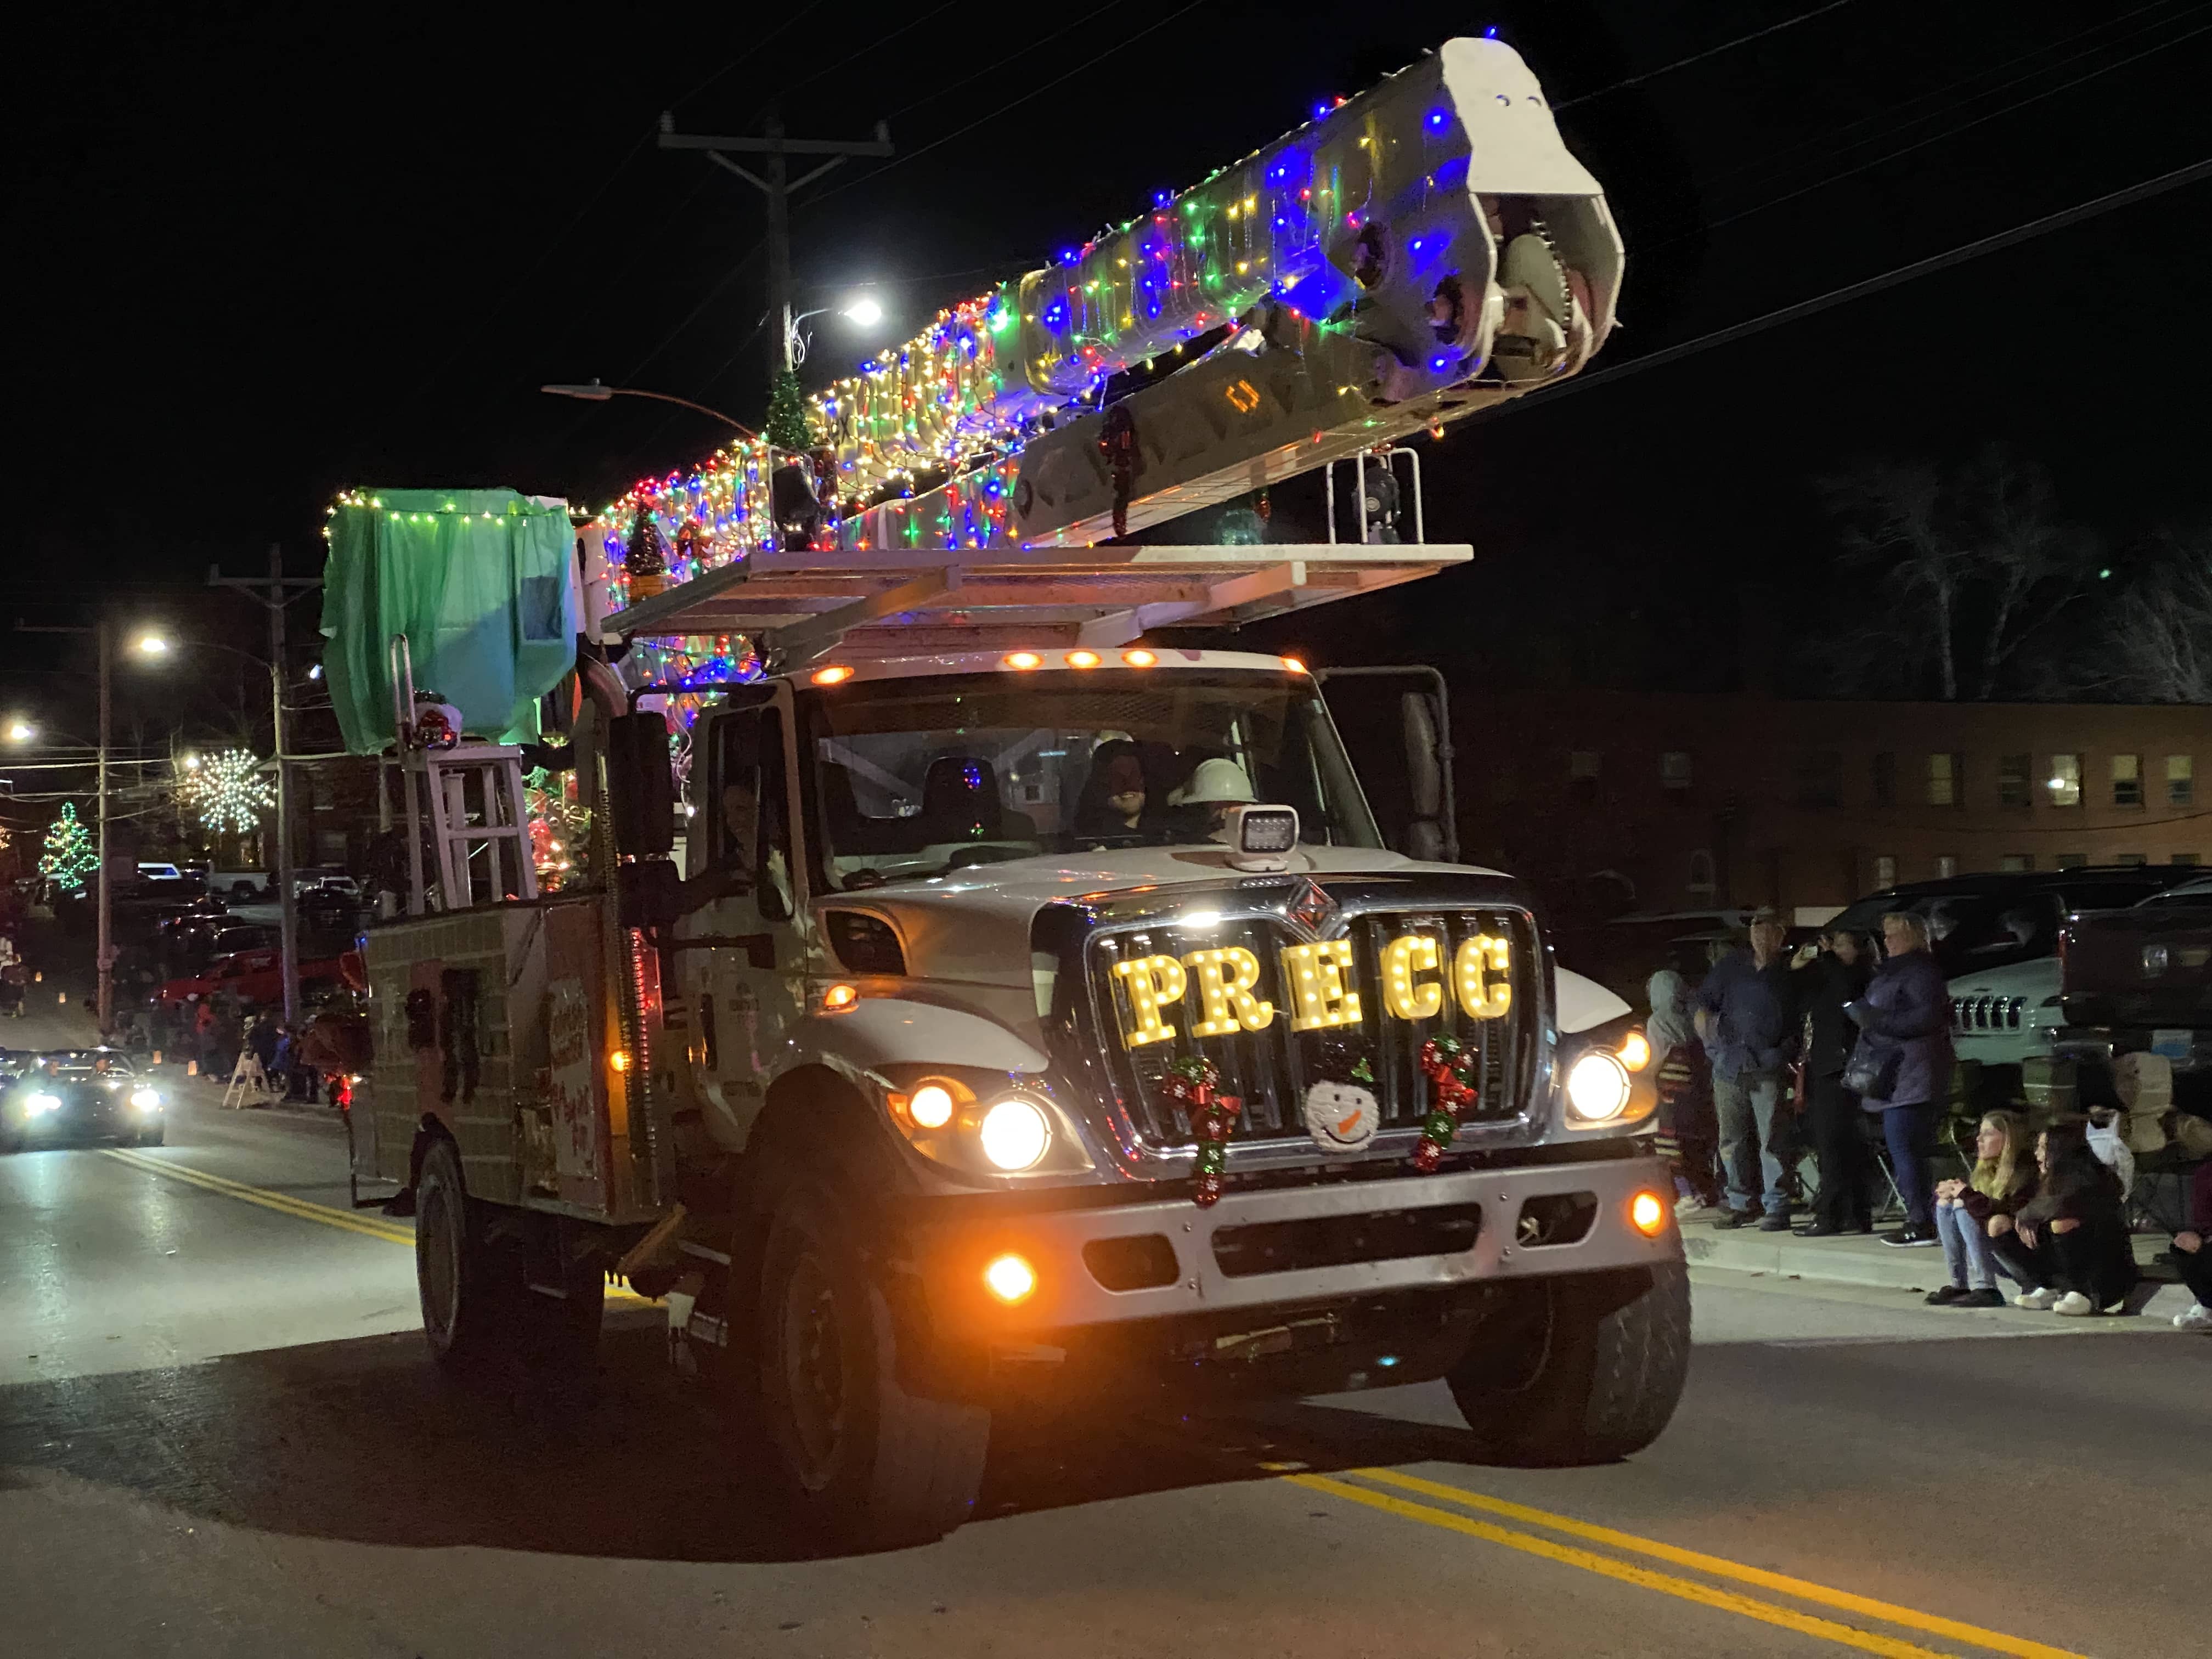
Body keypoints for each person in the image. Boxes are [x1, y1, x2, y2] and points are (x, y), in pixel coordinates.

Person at [1845, 911, 1954, 1248]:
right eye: (1885, 934)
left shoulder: (1921, 972)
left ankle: (1921, 1222)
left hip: (1914, 1076)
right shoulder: (1896, 971)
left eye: (1893, 934)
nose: (1887, 940)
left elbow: (1926, 1018)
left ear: (1912, 935)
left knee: (1906, 1148)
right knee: (1903, 1148)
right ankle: (1920, 1217)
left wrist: (1873, 1020)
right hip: (1898, 1075)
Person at [1694, 906, 1801, 1231]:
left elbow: (1801, 1023)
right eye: (1757, 926)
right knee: (1732, 1139)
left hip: (1767, 1066)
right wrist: (1713, 1048)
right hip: (1729, 1067)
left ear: (1782, 934)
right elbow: (1703, 1007)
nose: (1762, 933)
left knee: (1772, 1140)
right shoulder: (1731, 967)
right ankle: (1740, 1203)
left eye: (1770, 927)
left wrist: (1780, 1054)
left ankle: (1777, 1205)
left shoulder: (1790, 972)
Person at [1995, 1121, 2138, 1315]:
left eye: (2043, 1148)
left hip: (2103, 1273)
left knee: (2061, 1224)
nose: (2037, 1154)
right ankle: (2045, 1286)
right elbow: (2019, 1207)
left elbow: (2061, 1207)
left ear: (2059, 1151)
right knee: (2001, 1225)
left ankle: (2082, 1293)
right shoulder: (2046, 1179)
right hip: (2061, 1266)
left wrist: (2028, 1216)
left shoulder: (2091, 1178)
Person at [1791, 928, 1874, 1237]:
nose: (1833, 951)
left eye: (1841, 946)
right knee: (1837, 1144)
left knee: (1834, 1146)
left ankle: (1830, 1216)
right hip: (1820, 1070)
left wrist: (1828, 959)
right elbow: (1796, 1001)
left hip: (1842, 1071)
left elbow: (1846, 992)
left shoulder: (1859, 977)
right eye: (1831, 946)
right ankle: (1854, 1214)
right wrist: (1796, 968)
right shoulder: (1826, 977)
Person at [1926, 1111, 2037, 1307]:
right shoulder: (1987, 1171)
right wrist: (1954, 1191)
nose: (1979, 1139)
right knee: (1946, 1204)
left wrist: (1966, 1195)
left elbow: (2004, 1210)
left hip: (2026, 1258)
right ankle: (1959, 1284)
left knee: (1964, 1205)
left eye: (1988, 1133)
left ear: (2008, 1139)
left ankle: (1987, 1287)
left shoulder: (2026, 1171)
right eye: (1979, 1133)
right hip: (1997, 1257)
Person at [1647, 969, 1721, 1211]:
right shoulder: (1690, 1017)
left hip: (1669, 1090)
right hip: (1693, 1089)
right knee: (1692, 1142)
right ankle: (1704, 1192)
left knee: (1668, 1142)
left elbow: (1656, 1058)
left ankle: (1686, 1193)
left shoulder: (1658, 1021)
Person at [2168, 1158, 2212, 1332]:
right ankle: (2208, 1307)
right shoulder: (2206, 1173)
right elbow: (2202, 1219)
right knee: (2183, 1247)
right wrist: (2195, 1236)